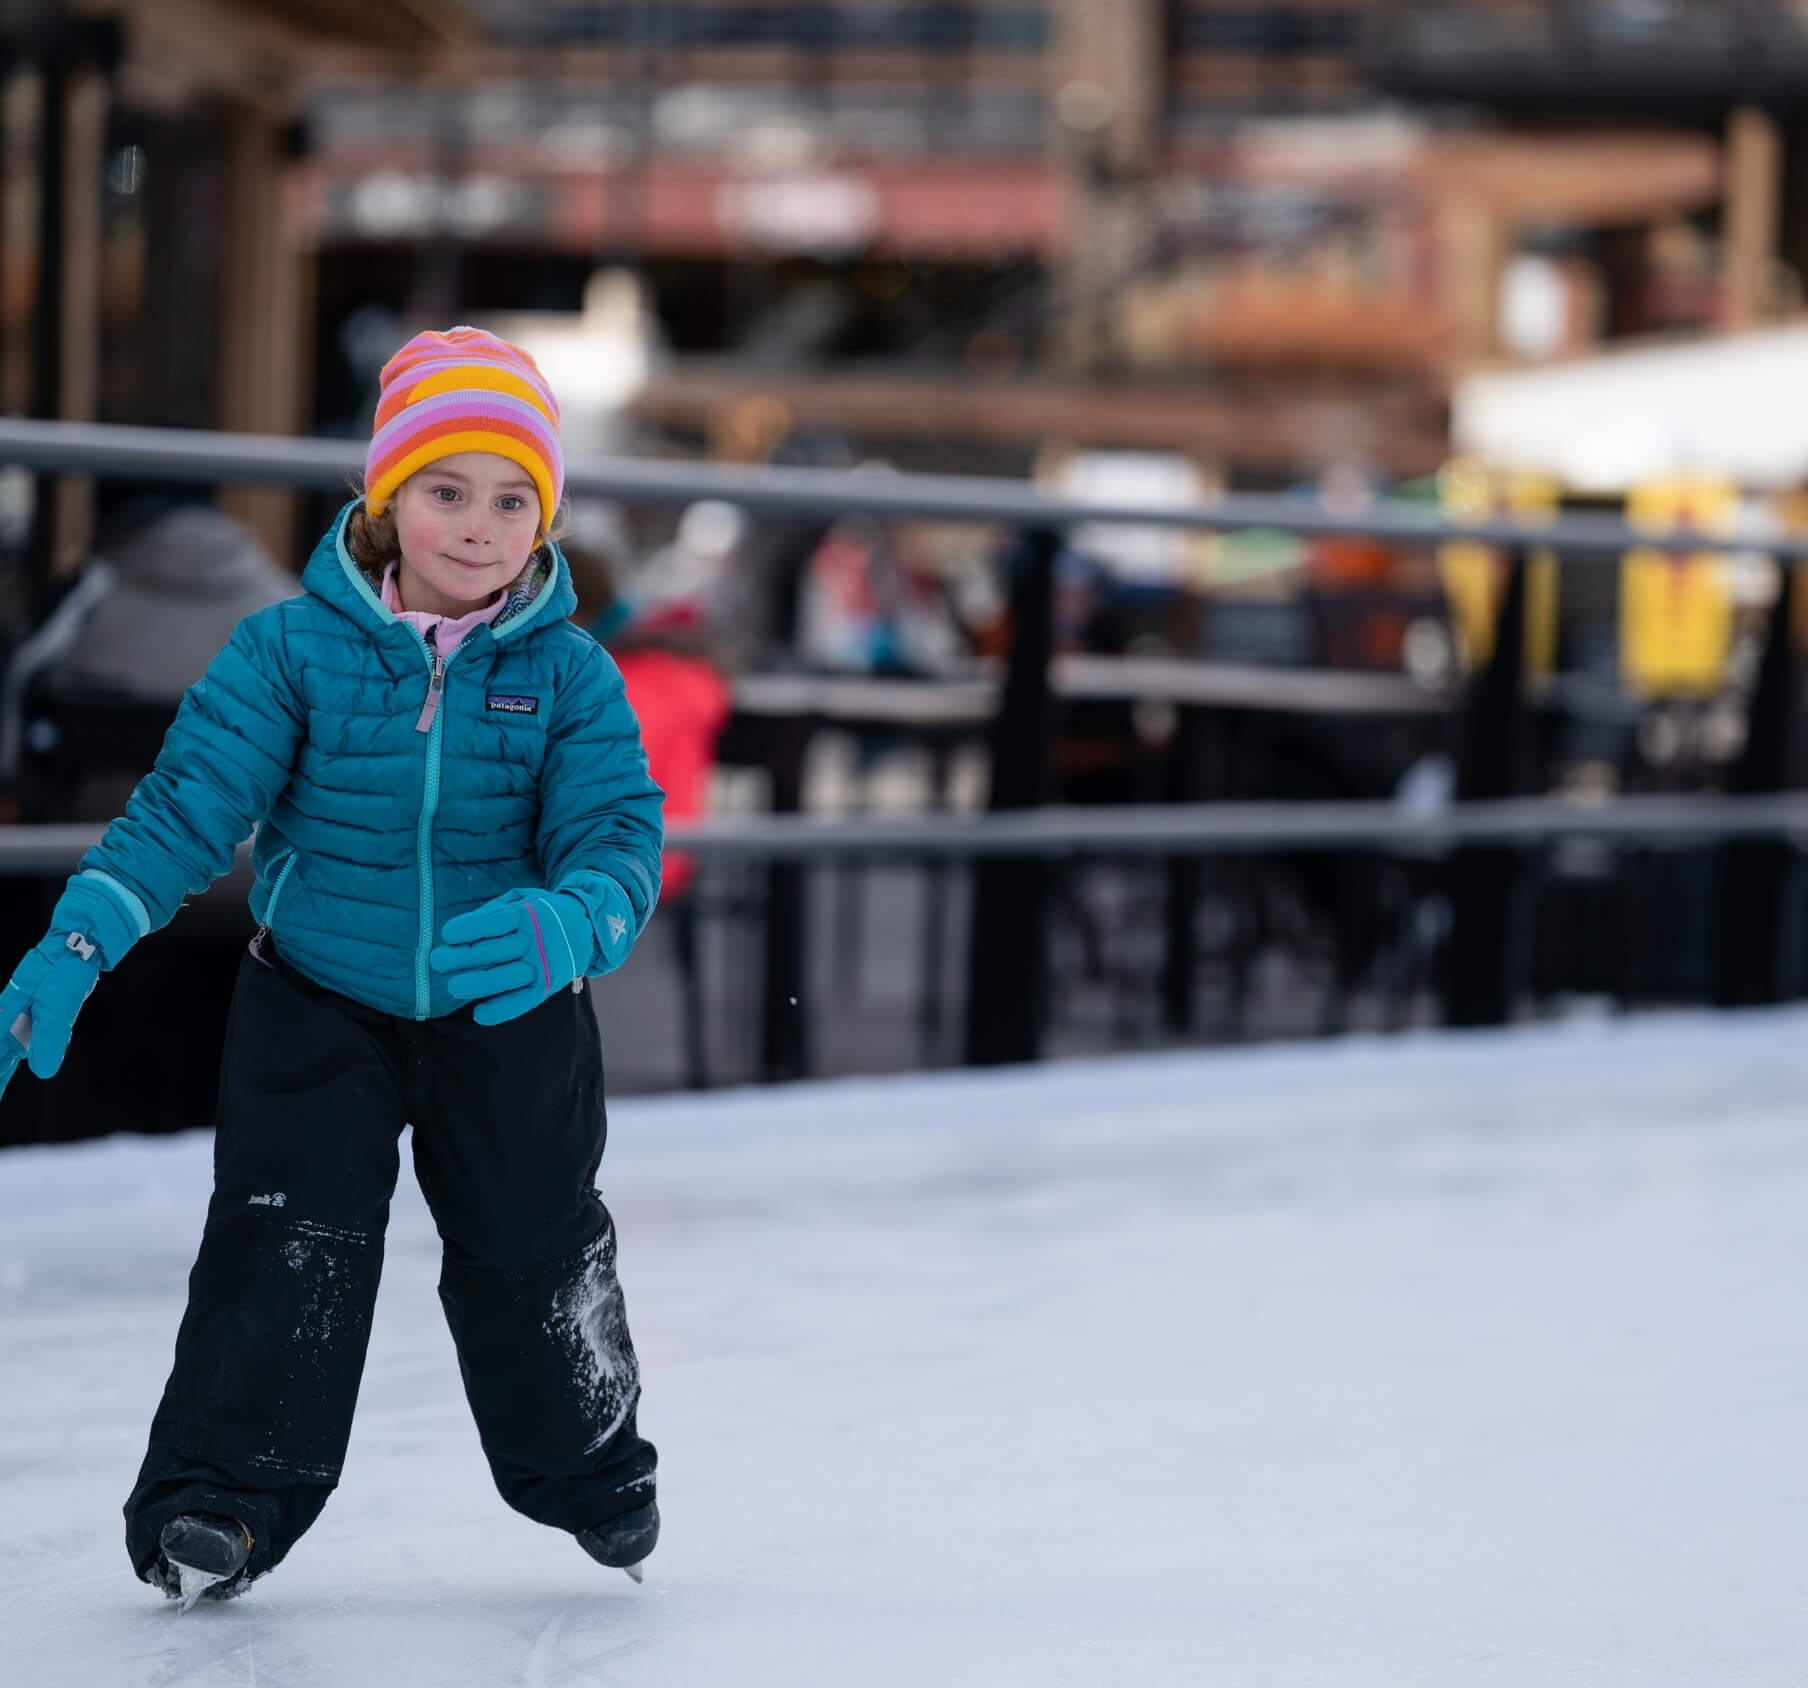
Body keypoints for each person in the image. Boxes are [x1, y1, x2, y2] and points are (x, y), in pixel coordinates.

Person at [0, 328, 665, 1605]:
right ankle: (218, 1502)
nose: (478, 525)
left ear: (546, 518)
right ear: (386, 499)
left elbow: (617, 839)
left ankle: (590, 1465)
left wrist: (565, 925)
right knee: (283, 1243)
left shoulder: (571, 675)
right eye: (447, 490)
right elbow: (188, 806)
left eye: (512, 497)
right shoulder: (288, 651)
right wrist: (83, 934)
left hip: (508, 1008)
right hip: (316, 1001)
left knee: (533, 1245)